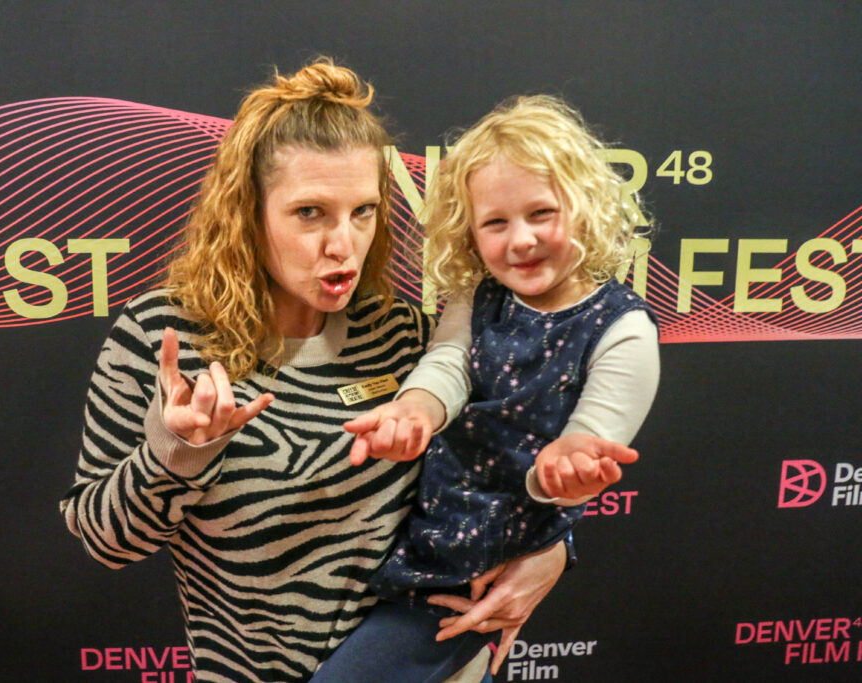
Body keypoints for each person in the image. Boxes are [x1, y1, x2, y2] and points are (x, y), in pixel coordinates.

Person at [61, 62, 609, 682]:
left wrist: (552, 550)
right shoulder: (162, 338)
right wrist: (179, 449)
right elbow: (106, 540)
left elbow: (507, 459)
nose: (343, 244)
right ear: (248, 213)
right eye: (310, 213)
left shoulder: (403, 333)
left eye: (363, 211)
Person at [314, 95, 660, 681]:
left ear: (587, 206)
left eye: (542, 213)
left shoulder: (622, 329)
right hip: (419, 535)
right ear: (470, 235)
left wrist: (564, 470)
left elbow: (590, 439)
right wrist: (414, 412)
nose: (520, 240)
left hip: (471, 567)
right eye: (496, 223)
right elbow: (447, 364)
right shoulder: (478, 297)